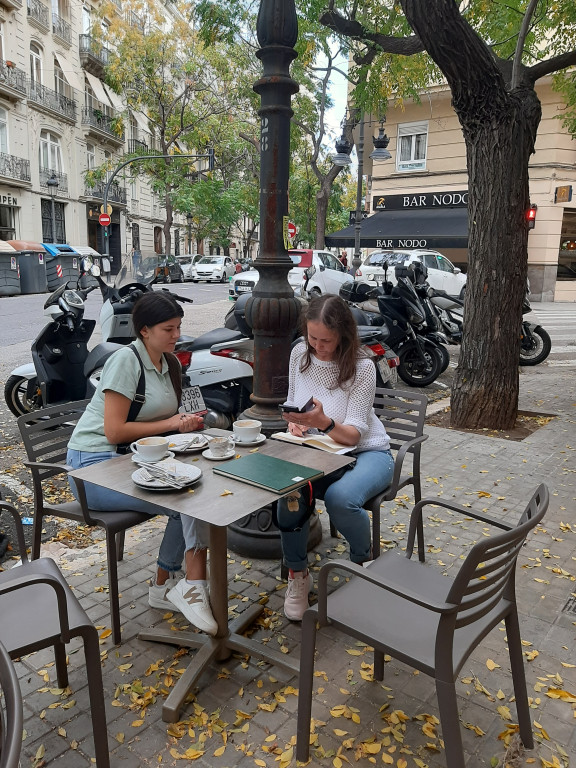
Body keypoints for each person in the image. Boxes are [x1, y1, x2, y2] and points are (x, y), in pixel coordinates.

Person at [66, 292, 217, 635]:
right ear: (144, 331)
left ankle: (168, 586)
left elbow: (168, 417)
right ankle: (187, 586)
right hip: (92, 468)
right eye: (169, 329)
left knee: (200, 490)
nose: (177, 335)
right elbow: (115, 430)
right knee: (186, 499)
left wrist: (188, 421)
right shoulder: (126, 360)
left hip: (135, 461)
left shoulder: (171, 363)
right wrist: (173, 424)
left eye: (179, 327)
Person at [277, 294, 395, 621]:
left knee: (340, 498)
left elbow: (355, 433)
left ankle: (363, 562)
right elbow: (293, 400)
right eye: (312, 337)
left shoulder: (361, 366)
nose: (318, 346)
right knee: (288, 494)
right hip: (321, 451)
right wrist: (296, 423)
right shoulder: (300, 352)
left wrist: (322, 422)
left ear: (343, 333)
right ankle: (298, 575)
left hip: (368, 452)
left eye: (326, 340)